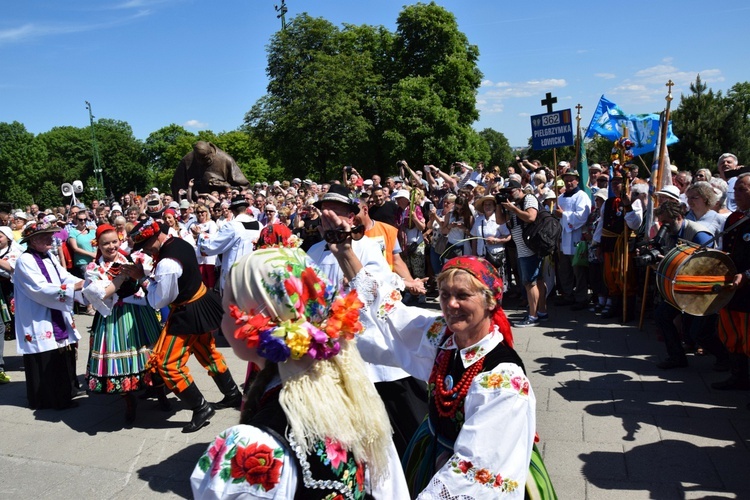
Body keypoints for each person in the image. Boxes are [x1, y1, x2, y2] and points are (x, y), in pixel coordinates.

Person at [320, 207, 549, 497]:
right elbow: (390, 311)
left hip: (485, 477)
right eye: (444, 295)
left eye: (463, 295)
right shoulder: (444, 336)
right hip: (437, 454)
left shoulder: (502, 379)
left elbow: (475, 471)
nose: (451, 305)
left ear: (491, 301)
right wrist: (345, 253)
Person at [190, 247, 409, 499]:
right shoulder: (353, 395)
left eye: (227, 303)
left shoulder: (253, 448)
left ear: (255, 321)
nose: (221, 318)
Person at [123, 218, 243, 433]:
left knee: (167, 364)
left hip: (188, 312)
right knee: (207, 352)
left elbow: (160, 300)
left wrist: (142, 278)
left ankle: (200, 408)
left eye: (145, 246)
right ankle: (233, 395)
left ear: (155, 237)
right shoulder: (179, 242)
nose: (146, 251)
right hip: (201, 303)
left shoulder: (167, 263)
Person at [81, 225, 165, 423]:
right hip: (113, 315)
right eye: (105, 244)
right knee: (118, 358)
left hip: (139, 310)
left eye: (113, 242)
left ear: (120, 240)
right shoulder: (94, 269)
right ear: (98, 246)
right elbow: (101, 294)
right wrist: (120, 277)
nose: (111, 247)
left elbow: (152, 274)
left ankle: (160, 393)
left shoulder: (134, 258)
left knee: (150, 352)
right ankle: (128, 400)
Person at [14, 218, 85, 410]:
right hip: (39, 314)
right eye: (44, 236)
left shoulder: (49, 256)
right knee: (45, 355)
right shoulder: (25, 260)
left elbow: (64, 276)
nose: (50, 239)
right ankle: (47, 398)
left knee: (62, 352)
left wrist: (83, 282)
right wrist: (72, 288)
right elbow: (39, 288)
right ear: (32, 240)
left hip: (55, 310)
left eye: (51, 235)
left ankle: (66, 392)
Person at [650, 201, 730, 370]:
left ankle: (726, 358)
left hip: (704, 289)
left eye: (666, 222)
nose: (664, 226)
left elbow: (709, 265)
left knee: (699, 333)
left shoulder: (699, 235)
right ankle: (676, 357)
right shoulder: (671, 231)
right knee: (661, 315)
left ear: (678, 217)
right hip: (682, 287)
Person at [713, 173, 750, 390]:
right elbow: (726, 251)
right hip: (732, 289)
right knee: (731, 333)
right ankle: (738, 377)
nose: (736, 194)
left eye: (742, 190)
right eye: (735, 189)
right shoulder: (734, 219)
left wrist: (746, 276)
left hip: (747, 290)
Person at [498, 179, 549, 327]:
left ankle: (532, 316)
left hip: (529, 247)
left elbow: (531, 217)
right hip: (522, 248)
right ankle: (542, 312)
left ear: (519, 189)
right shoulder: (514, 205)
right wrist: (498, 205)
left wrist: (513, 209)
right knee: (537, 280)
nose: (509, 195)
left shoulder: (528, 198)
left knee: (529, 282)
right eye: (506, 193)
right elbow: (500, 221)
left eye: (510, 191)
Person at [195, 195, 263, 292]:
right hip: (253, 272)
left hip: (235, 274)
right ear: (246, 208)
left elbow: (212, 246)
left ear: (233, 211)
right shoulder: (259, 225)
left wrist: (201, 235)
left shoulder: (232, 226)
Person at [554, 170, 592, 310]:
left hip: (576, 237)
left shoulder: (581, 196)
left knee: (578, 270)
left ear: (577, 180)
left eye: (571, 180)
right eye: (566, 180)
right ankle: (567, 295)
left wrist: (563, 215)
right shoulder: (561, 197)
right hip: (563, 239)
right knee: (565, 270)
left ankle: (581, 298)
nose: (569, 183)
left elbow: (582, 216)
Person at [171, 141, 250, 201]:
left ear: (211, 152)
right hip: (195, 204)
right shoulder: (187, 161)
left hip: (220, 205)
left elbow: (244, 186)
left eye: (207, 158)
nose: (205, 162)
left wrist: (225, 186)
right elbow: (176, 186)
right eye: (201, 160)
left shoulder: (226, 160)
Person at [470, 194, 511, 287]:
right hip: (481, 255)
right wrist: (473, 254)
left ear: (494, 207)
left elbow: (508, 236)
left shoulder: (498, 220)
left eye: (490, 205)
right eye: (485, 205)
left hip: (496, 255)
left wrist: (496, 240)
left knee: (496, 281)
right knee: (484, 282)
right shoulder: (478, 220)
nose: (487, 207)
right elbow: (474, 238)